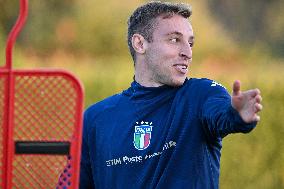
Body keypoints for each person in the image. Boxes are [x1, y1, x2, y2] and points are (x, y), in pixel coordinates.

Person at [79, 1, 263, 189]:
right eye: (175, 40)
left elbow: (222, 116)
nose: (188, 52)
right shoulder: (95, 118)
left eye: (190, 43)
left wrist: (236, 115)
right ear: (140, 43)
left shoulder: (201, 94)